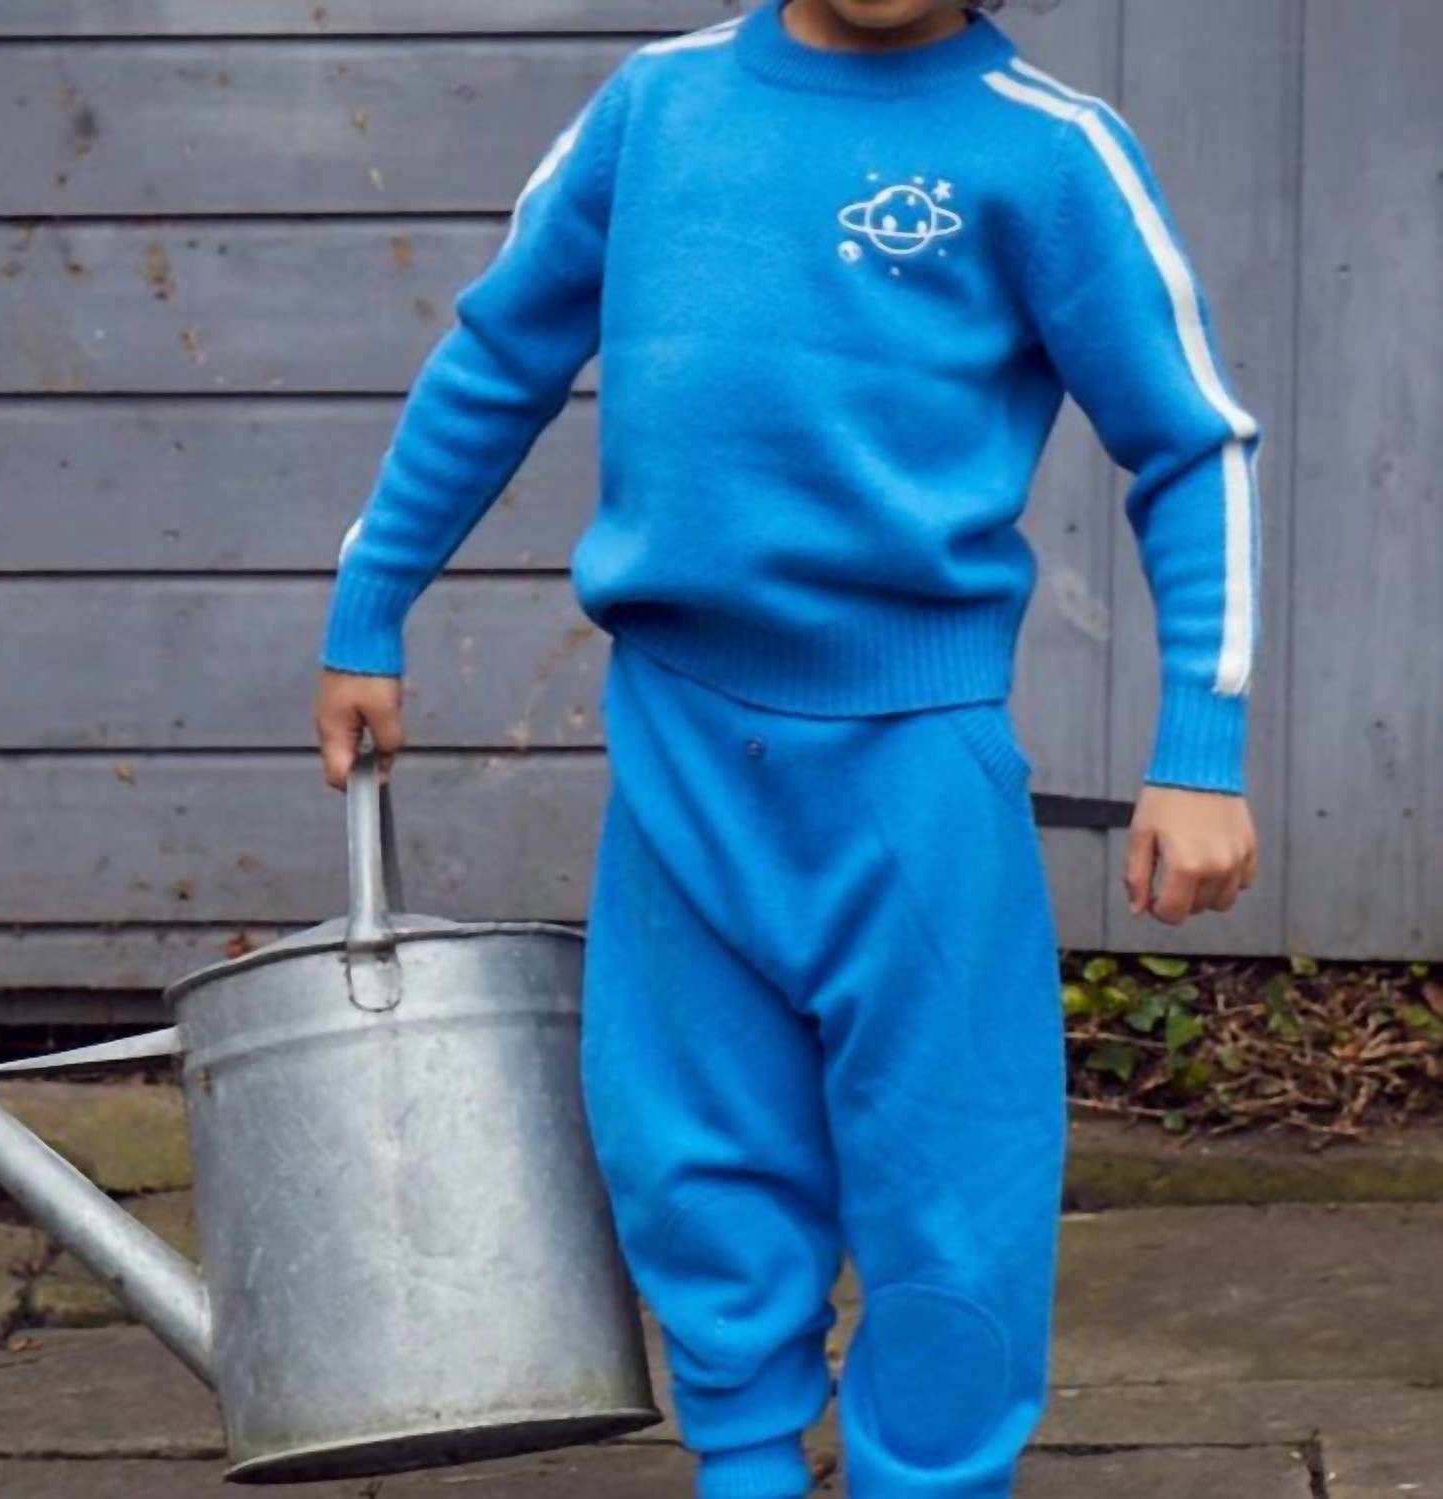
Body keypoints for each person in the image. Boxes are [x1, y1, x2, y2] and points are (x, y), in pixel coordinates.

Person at [313, 1, 1261, 1492]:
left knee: (955, 1192)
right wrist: (372, 601)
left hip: (914, 772)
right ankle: (746, 1467)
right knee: (692, 1158)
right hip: (681, 750)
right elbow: (498, 354)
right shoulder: (656, 108)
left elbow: (1192, 440)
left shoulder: (1049, 151)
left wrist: (1200, 748)